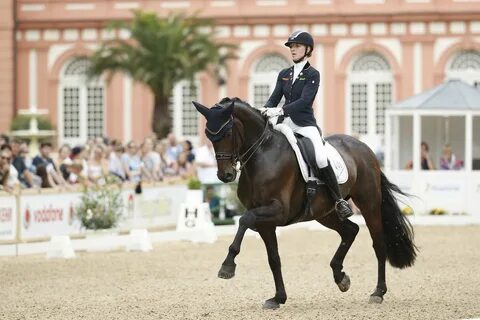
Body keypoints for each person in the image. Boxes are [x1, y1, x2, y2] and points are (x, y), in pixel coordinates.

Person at [261, 30, 353, 220]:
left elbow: (305, 101)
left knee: (319, 157)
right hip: (284, 125)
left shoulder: (313, 74)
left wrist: (281, 110)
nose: (293, 50)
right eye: (291, 47)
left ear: (308, 49)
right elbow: (274, 98)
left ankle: (338, 200)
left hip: (304, 125)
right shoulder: (284, 74)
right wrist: (264, 110)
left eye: (297, 46)